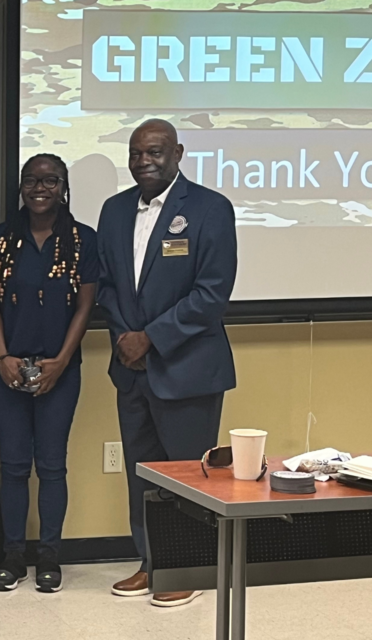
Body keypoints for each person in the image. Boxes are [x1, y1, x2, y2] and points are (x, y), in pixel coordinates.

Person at [96, 119, 237, 608]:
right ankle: (151, 563)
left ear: (177, 152)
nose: (143, 162)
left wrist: (151, 338)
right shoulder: (114, 211)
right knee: (143, 476)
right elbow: (107, 285)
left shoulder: (209, 209)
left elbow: (212, 294)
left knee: (187, 476)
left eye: (154, 152)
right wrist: (124, 338)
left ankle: (190, 567)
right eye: (136, 153)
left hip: (187, 369)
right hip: (131, 370)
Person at [0, 154, 98, 594]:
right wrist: (3, 356)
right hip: (6, 368)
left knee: (51, 466)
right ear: (21, 187)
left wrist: (62, 361)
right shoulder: (2, 238)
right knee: (12, 466)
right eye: (31, 180)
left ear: (64, 186)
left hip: (59, 370)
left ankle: (49, 555)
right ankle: (12, 555)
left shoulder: (83, 240)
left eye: (50, 180)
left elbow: (85, 306)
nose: (39, 188)